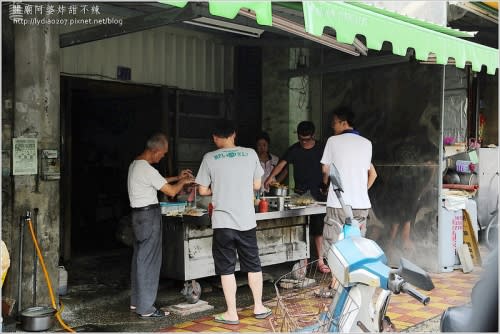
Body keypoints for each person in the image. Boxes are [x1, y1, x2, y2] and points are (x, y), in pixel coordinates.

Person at [196, 120, 272, 325]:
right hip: (246, 220)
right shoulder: (249, 154)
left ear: (215, 137)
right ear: (234, 135)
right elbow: (257, 185)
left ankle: (232, 313)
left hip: (222, 222)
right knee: (253, 264)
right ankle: (259, 307)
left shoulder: (209, 157)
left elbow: (202, 190)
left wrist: (218, 187)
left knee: (226, 268)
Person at [127, 133, 194, 318]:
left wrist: (176, 177)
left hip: (138, 217)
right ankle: (146, 308)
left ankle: (137, 302)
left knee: (139, 258)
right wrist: (183, 181)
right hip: (149, 217)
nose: (162, 156)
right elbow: (171, 191)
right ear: (155, 151)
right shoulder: (147, 169)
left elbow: (158, 180)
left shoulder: (136, 165)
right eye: (162, 154)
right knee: (149, 261)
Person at [263, 121, 327, 272]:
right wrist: (270, 177)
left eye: (307, 139)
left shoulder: (322, 148)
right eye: (301, 139)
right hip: (300, 194)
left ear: (313, 136)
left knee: (318, 229)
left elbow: (328, 168)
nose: (304, 142)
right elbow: (281, 164)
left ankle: (320, 260)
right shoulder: (294, 149)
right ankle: (302, 261)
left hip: (319, 193)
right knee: (300, 227)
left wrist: (326, 185)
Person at [319, 107, 375, 271]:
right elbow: (368, 171)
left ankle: (336, 284)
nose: (332, 126)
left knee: (334, 244)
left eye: (334, 123)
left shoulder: (333, 141)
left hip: (338, 203)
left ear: (344, 123)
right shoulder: (367, 143)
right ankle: (353, 280)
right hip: (361, 204)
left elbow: (325, 170)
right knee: (356, 244)